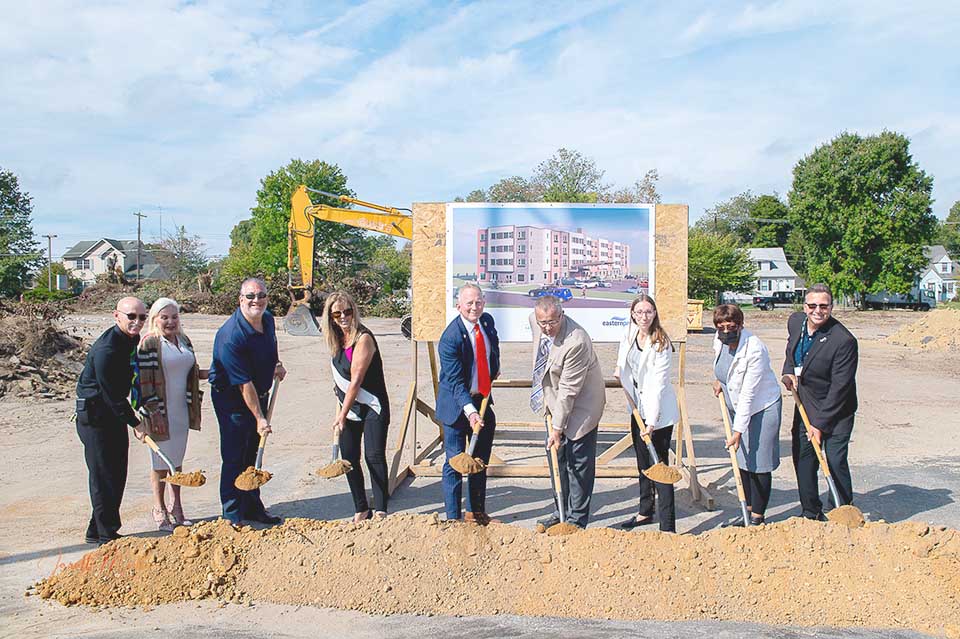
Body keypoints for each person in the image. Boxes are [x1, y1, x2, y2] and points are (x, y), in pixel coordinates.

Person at [208, 278, 286, 525]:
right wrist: (260, 418)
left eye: (261, 295)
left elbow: (271, 345)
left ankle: (252, 507)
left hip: (257, 393)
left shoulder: (267, 319)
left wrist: (276, 364)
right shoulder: (231, 336)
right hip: (231, 400)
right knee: (234, 455)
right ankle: (231, 514)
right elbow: (244, 385)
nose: (257, 300)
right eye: (251, 296)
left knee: (252, 453)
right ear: (241, 299)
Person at [781, 283, 859, 520]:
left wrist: (820, 425)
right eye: (812, 305)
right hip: (806, 404)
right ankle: (810, 511)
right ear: (804, 307)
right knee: (804, 459)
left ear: (831, 307)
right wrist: (788, 373)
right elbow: (790, 351)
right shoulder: (796, 322)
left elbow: (840, 387)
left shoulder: (843, 340)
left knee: (834, 459)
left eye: (823, 306)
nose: (818, 310)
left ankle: (841, 508)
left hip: (837, 409)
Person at [75, 297, 147, 545]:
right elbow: (111, 395)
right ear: (116, 316)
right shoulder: (107, 349)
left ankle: (97, 528)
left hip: (112, 414)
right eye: (131, 316)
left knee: (116, 473)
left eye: (142, 317)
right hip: (95, 417)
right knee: (103, 475)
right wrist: (136, 423)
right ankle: (107, 536)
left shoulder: (130, 339)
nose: (137, 322)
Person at [531, 295, 605, 530]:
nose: (547, 328)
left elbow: (568, 391)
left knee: (578, 464)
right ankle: (560, 510)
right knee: (557, 459)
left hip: (583, 406)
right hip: (554, 403)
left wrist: (557, 429)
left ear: (562, 315)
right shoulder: (537, 322)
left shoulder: (577, 341)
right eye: (543, 322)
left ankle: (576, 521)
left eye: (552, 322)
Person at [134, 297, 206, 531]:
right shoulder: (149, 343)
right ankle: (159, 508)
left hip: (182, 410)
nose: (170, 321)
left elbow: (192, 372)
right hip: (158, 410)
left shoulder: (183, 340)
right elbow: (143, 383)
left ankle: (177, 507)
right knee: (160, 463)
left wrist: (215, 372)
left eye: (174, 317)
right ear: (155, 319)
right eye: (164, 317)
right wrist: (148, 414)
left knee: (177, 460)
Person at [711, 303, 782, 526]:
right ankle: (747, 510)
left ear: (740, 325)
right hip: (736, 406)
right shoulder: (719, 340)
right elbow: (723, 366)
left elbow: (749, 394)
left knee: (759, 461)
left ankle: (757, 517)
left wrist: (738, 430)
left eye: (730, 326)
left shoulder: (754, 349)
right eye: (720, 326)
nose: (725, 331)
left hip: (762, 407)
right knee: (742, 458)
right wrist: (721, 381)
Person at [323, 291, 391, 523]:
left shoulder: (364, 338)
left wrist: (341, 415)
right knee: (349, 458)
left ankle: (381, 508)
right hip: (348, 407)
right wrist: (342, 406)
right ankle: (361, 508)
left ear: (354, 311)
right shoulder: (335, 341)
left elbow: (356, 381)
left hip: (372, 406)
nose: (344, 317)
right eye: (337, 314)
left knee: (374, 456)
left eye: (348, 311)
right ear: (330, 317)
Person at [436, 283, 500, 524]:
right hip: (456, 407)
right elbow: (454, 382)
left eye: (478, 302)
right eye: (469, 303)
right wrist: (471, 412)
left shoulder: (487, 322)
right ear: (459, 305)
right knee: (455, 462)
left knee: (479, 461)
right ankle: (453, 518)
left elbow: (493, 346)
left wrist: (494, 367)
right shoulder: (450, 338)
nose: (475, 307)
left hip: (482, 400)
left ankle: (476, 512)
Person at [614, 294, 679, 532]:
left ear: (655, 313)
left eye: (648, 312)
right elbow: (623, 360)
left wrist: (651, 422)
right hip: (637, 407)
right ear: (632, 313)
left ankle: (668, 526)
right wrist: (619, 372)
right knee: (643, 463)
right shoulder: (630, 334)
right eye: (639, 312)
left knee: (659, 465)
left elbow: (659, 385)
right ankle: (645, 512)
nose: (644, 317)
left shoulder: (660, 343)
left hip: (658, 413)